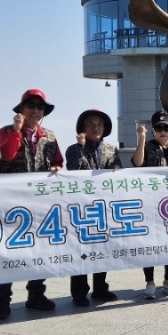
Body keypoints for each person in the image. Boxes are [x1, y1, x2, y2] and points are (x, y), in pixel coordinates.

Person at [0, 89, 63, 320]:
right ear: (21, 109)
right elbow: (7, 156)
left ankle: (36, 294)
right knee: (4, 252)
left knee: (39, 250)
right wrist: (16, 132)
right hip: (9, 204)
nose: (35, 110)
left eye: (39, 107)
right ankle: (2, 300)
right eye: (30, 105)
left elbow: (58, 161)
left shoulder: (49, 136)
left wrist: (58, 168)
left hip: (39, 205)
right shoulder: (4, 132)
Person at [65, 109, 124, 305]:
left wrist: (117, 169)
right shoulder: (74, 148)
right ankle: (79, 293)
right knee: (80, 250)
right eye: (91, 123)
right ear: (83, 127)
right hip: (81, 208)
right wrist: (81, 147)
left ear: (105, 128)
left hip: (103, 207)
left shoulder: (111, 149)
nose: (95, 127)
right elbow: (73, 169)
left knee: (102, 249)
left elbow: (118, 168)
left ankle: (100, 289)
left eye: (99, 124)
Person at [131, 110, 168, 300]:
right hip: (150, 203)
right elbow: (138, 164)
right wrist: (141, 138)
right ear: (154, 130)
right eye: (159, 128)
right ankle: (149, 282)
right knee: (149, 243)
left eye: (166, 127)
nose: (163, 131)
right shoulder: (147, 147)